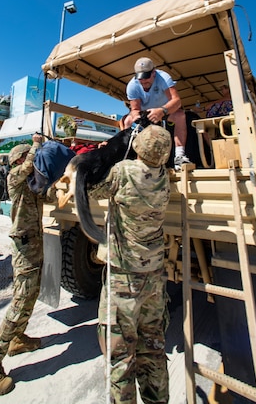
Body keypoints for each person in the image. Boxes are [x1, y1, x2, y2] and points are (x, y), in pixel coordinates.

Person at [91, 125, 172, 404]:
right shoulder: (164, 176)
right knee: (153, 348)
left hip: (124, 276)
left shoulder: (123, 171)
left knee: (120, 356)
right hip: (153, 275)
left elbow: (93, 190)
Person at [0, 133, 44, 397]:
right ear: (18, 159)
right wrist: (36, 145)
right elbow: (28, 165)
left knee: (32, 292)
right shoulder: (15, 175)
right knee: (22, 299)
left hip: (33, 243)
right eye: (28, 157)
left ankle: (17, 339)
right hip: (24, 244)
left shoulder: (31, 184)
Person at [123, 57, 189, 169]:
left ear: (154, 72)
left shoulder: (164, 78)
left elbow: (176, 101)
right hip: (145, 112)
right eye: (141, 79)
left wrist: (162, 111)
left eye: (147, 78)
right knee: (128, 120)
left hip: (164, 110)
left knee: (180, 115)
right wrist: (136, 115)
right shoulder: (132, 86)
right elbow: (134, 109)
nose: (144, 82)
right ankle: (128, 156)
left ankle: (179, 156)